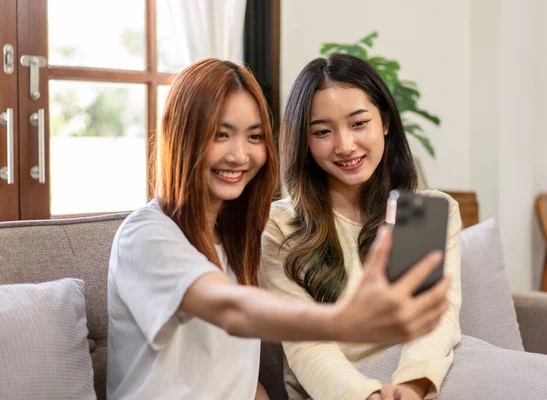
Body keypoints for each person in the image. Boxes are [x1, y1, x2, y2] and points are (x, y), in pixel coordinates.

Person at [105, 58, 451, 400]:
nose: (240, 155)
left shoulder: (238, 237)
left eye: (254, 136)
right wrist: (343, 321)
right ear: (180, 136)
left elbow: (227, 373)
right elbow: (232, 311)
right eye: (220, 134)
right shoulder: (147, 234)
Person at [259, 53, 462, 400]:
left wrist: (412, 385)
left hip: (425, 381)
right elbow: (307, 346)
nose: (345, 145)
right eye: (322, 131)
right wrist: (368, 396)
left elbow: (438, 318)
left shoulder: (427, 210)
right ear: (305, 143)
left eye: (358, 124)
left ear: (384, 121)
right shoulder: (280, 227)